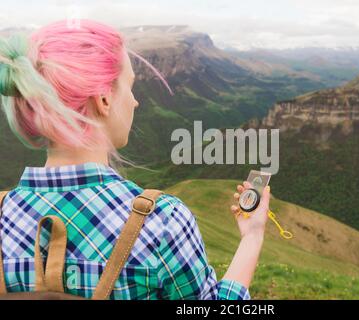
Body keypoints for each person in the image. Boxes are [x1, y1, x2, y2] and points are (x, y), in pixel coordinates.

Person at [0, 19, 271, 299]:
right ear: (104, 99)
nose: (135, 101)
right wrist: (252, 237)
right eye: (129, 86)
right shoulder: (162, 222)